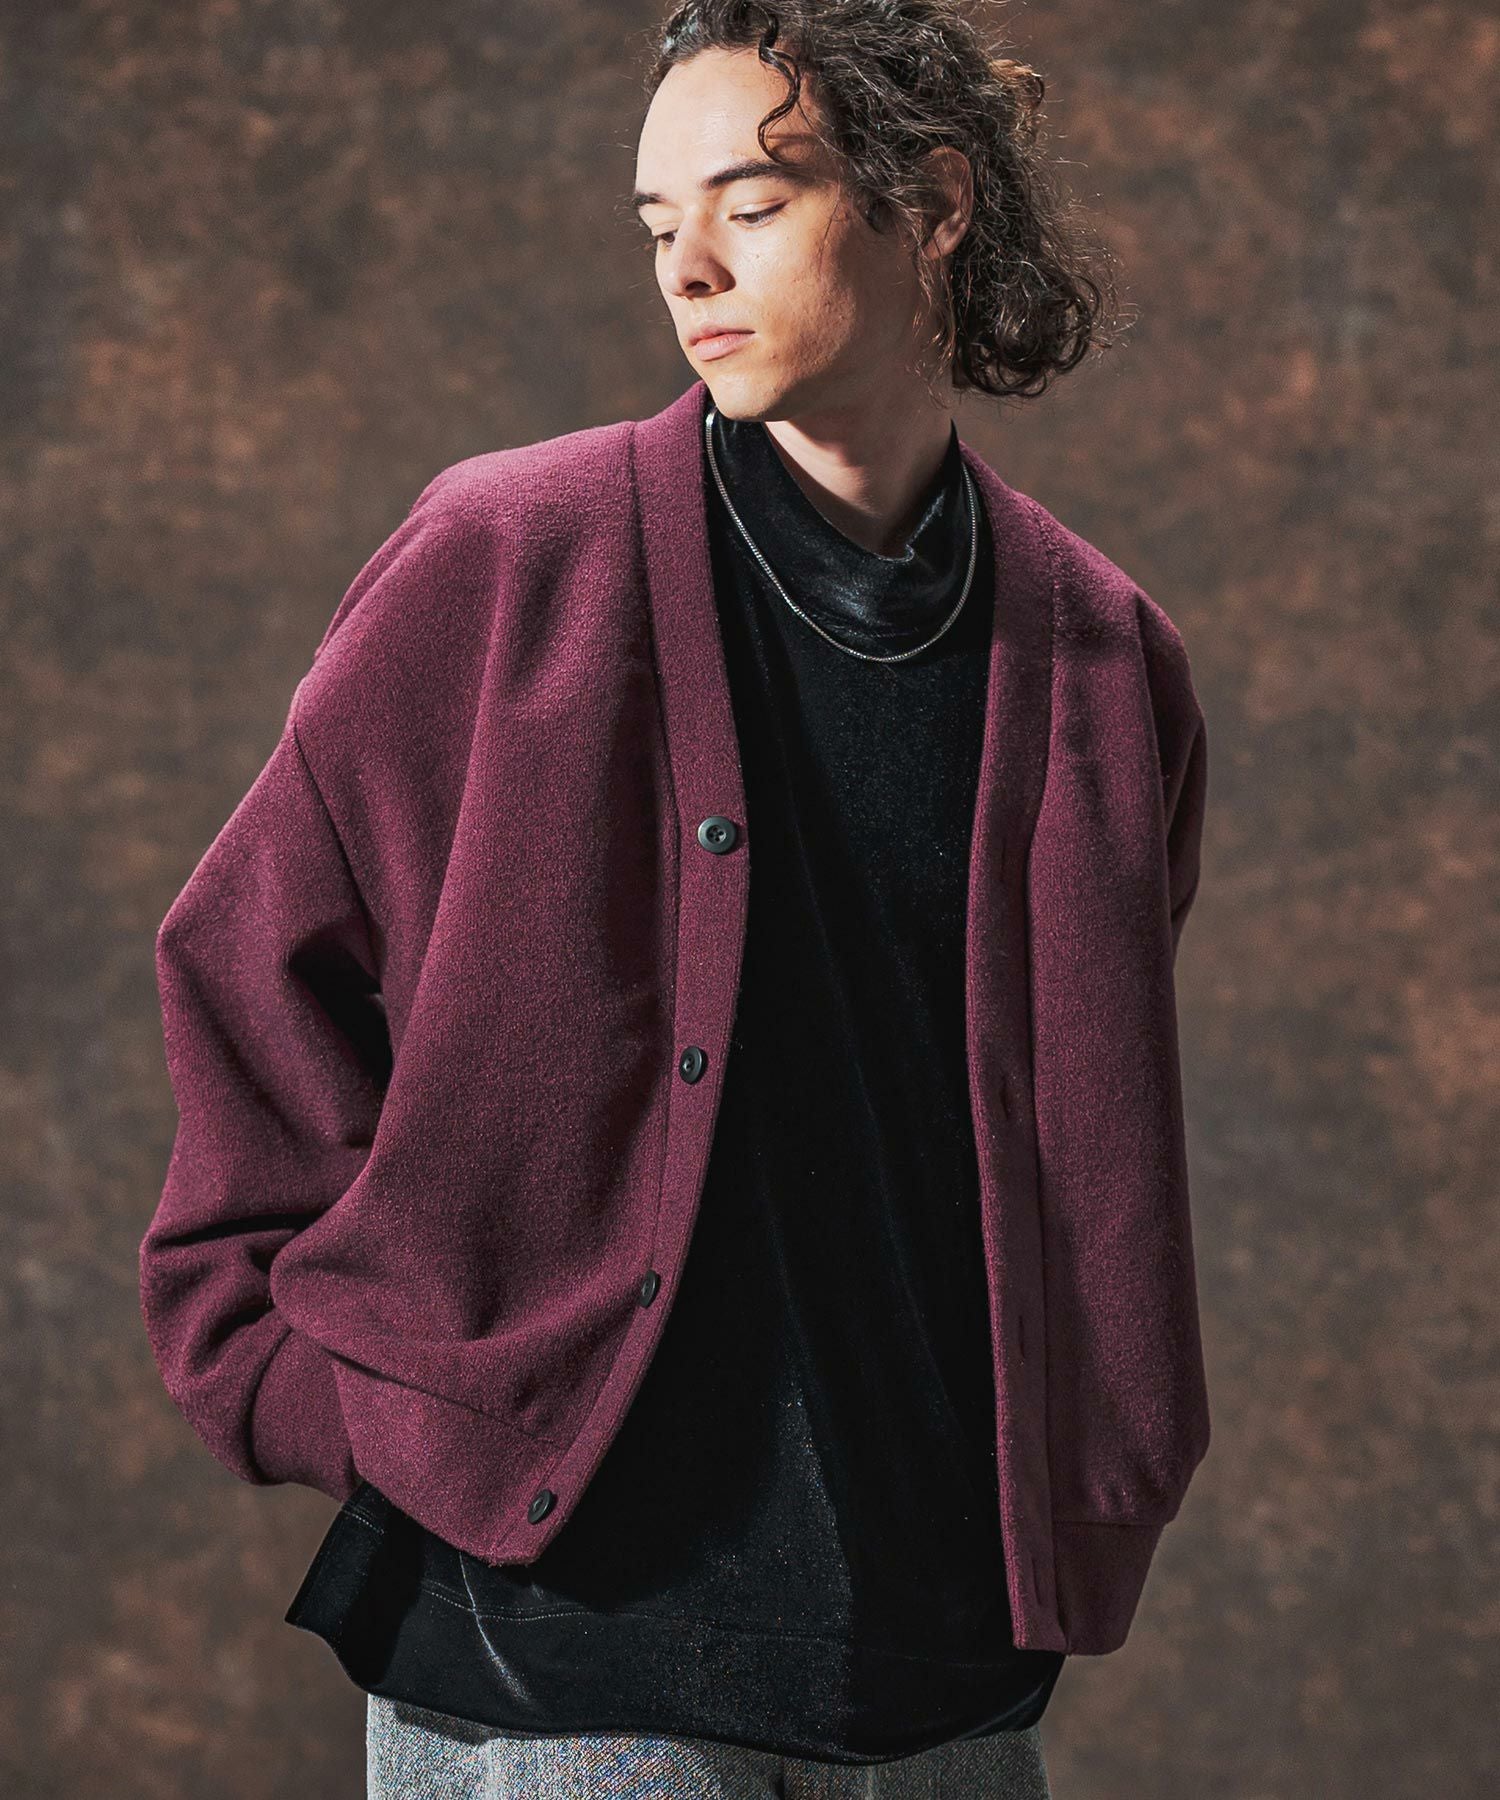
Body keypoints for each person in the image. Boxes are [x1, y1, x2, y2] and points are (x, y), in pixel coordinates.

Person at [139, 4, 1213, 1795]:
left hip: (940, 1670)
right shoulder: (505, 558)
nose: (689, 267)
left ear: (935, 203)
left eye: (753, 203)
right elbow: (250, 962)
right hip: (565, 1655)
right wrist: (299, 1374)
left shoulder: (1103, 664)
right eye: (658, 222)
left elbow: (1054, 1145)